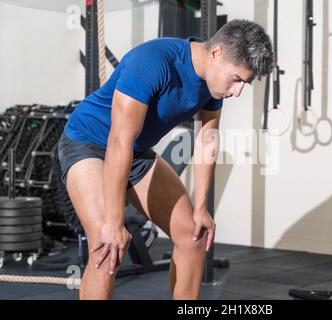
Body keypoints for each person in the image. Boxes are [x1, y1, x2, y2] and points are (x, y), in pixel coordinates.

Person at [58, 19, 273, 300]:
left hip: (134, 152)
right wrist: (114, 221)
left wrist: (200, 208)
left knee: (193, 235)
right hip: (88, 143)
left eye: (244, 83)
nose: (238, 91)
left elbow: (207, 140)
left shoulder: (212, 83)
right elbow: (118, 141)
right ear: (217, 53)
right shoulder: (153, 61)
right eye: (237, 80)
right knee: (106, 245)